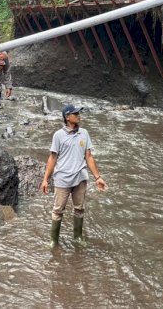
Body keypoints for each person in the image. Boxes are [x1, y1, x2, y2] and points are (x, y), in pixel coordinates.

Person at [41, 105, 108, 248]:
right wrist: (45, 179)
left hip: (80, 178)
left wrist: (97, 177)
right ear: (67, 117)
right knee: (58, 211)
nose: (79, 115)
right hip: (62, 179)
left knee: (79, 209)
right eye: (75, 113)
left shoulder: (84, 133)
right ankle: (54, 241)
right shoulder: (58, 135)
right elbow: (52, 158)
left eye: (79, 113)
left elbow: (88, 157)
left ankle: (77, 237)